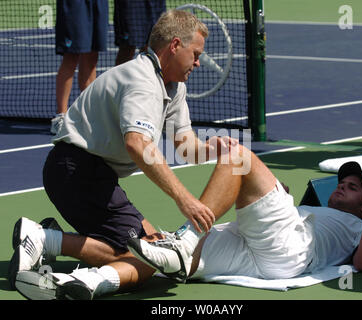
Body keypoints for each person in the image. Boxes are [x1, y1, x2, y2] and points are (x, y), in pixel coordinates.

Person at [9, 9, 234, 294]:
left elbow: (185, 146)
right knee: (146, 261)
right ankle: (43, 240)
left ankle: (51, 240)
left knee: (153, 247)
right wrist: (185, 200)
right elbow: (137, 144)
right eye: (196, 53)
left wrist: (212, 148)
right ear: (175, 46)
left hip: (91, 175)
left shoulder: (173, 86)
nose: (198, 63)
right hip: (77, 170)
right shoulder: (142, 81)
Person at [11, 143, 362, 300]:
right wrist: (275, 196)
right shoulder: (319, 213)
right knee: (157, 255)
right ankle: (74, 276)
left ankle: (186, 240)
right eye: (344, 183)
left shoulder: (357, 225)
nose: (342, 189)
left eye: (354, 188)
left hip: (288, 251)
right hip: (258, 256)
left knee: (238, 156)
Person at [51, 0, 109, 134]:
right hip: (76, 4)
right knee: (71, 57)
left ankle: (88, 113)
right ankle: (60, 117)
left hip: (98, 4)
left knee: (92, 57)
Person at [114, 0, 166, 65]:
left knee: (152, 47)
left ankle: (145, 74)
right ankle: (120, 75)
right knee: (127, 47)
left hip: (154, 4)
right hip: (132, 4)